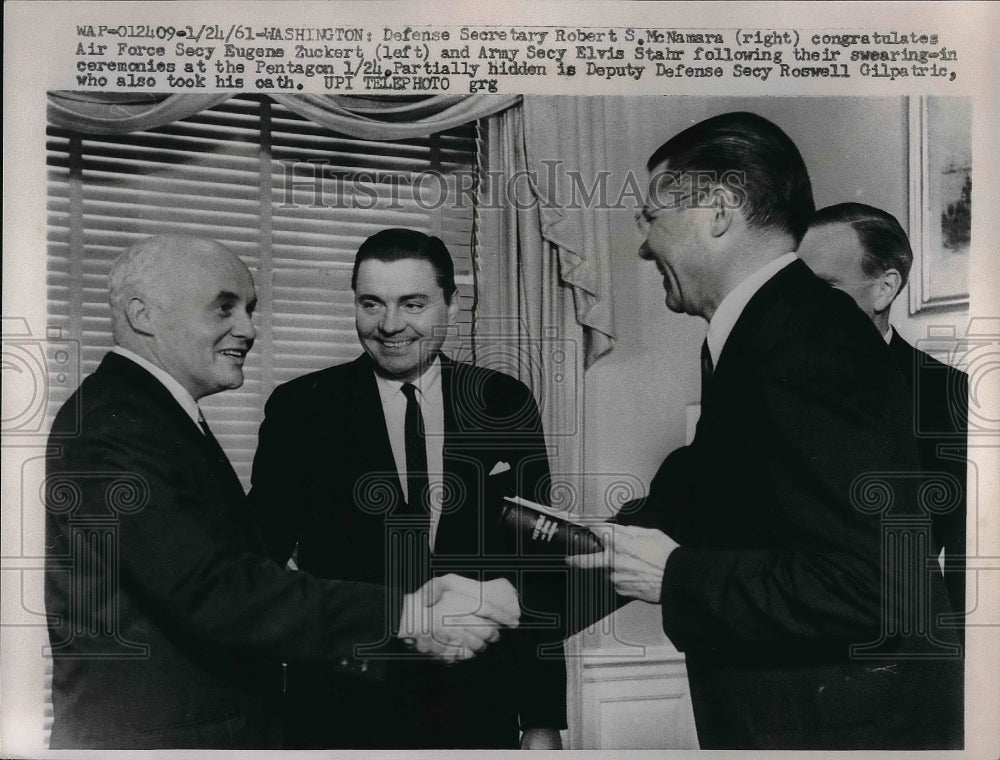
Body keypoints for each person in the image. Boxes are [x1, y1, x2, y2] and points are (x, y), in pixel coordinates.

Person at [568, 113, 961, 749]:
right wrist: (503, 598)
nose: (643, 246)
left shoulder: (808, 341)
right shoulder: (766, 333)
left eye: (651, 217)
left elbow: (877, 589)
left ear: (719, 210)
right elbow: (692, 507)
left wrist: (677, 577)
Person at [44, 234, 519, 750]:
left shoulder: (150, 416)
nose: (249, 329)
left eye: (249, 309)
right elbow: (217, 586)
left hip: (469, 706)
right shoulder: (116, 427)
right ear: (143, 314)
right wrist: (409, 614)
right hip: (211, 732)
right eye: (224, 307)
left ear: (451, 303)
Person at [248, 228, 566, 750]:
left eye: (412, 304)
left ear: (452, 303)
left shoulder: (503, 402)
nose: (390, 325)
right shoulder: (301, 409)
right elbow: (256, 569)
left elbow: (537, 565)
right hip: (340, 710)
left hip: (476, 707)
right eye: (371, 303)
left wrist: (541, 716)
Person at [798, 202, 968, 629]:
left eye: (824, 287)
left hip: (896, 643)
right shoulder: (765, 382)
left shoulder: (949, 396)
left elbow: (964, 558)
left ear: (885, 288)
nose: (797, 307)